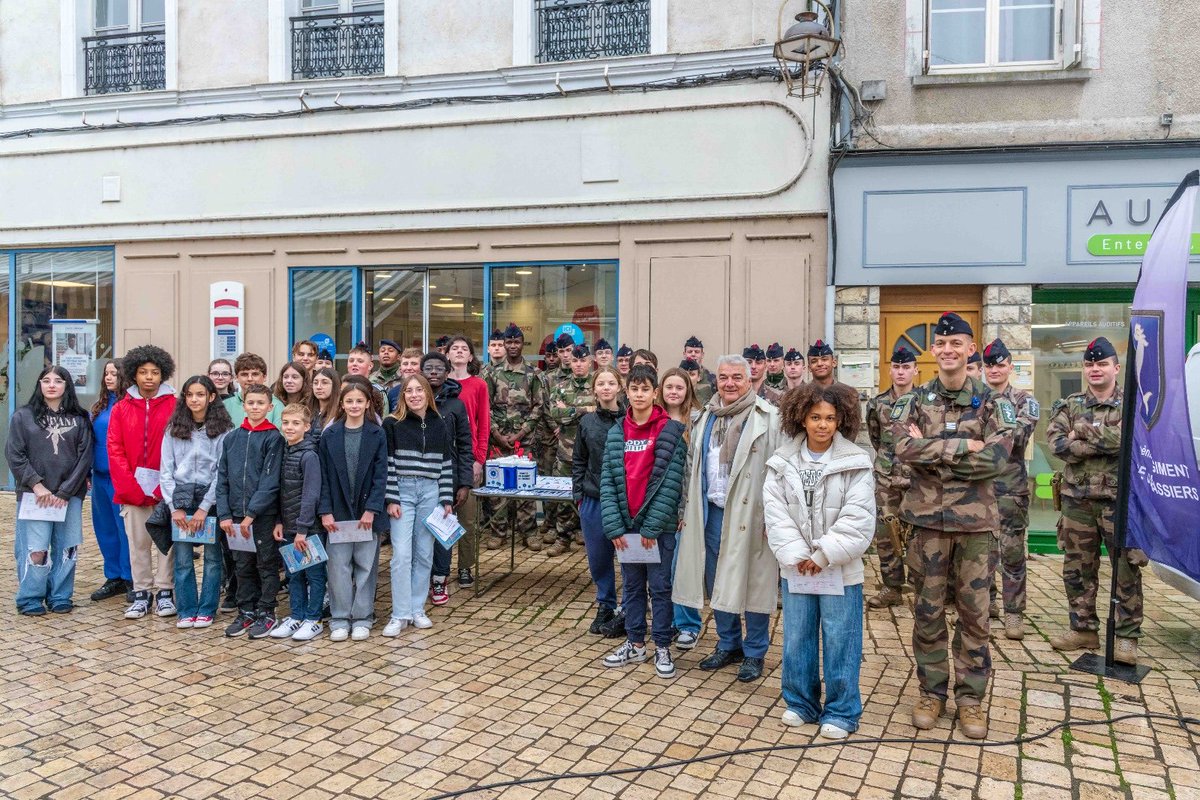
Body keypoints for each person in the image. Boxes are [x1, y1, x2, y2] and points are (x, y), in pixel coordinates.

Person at [890, 311, 1016, 740]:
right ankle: (931, 692)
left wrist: (933, 449)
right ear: (933, 350)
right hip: (926, 525)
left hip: (976, 528)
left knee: (975, 616)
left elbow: (997, 459)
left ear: (969, 348)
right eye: (941, 344)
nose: (947, 350)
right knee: (927, 614)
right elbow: (903, 449)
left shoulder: (996, 403)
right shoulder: (913, 401)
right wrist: (963, 445)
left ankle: (970, 700)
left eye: (956, 344)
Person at [764, 382, 874, 740]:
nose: (823, 425)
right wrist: (799, 555)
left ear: (842, 419)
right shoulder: (782, 462)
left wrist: (823, 553)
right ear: (802, 418)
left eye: (830, 418)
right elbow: (775, 512)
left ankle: (842, 711)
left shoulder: (855, 462)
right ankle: (801, 702)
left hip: (838, 568)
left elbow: (858, 516)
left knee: (841, 637)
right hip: (796, 567)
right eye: (815, 417)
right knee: (798, 635)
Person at [675, 354, 781, 682]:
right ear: (716, 380)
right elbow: (692, 468)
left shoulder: (769, 418)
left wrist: (774, 518)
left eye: (737, 377)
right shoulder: (705, 417)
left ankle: (755, 651)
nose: (730, 383)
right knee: (716, 579)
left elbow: (781, 472)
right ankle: (728, 642)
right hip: (711, 512)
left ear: (750, 380)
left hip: (752, 514)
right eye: (724, 377)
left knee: (754, 582)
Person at [1046, 336, 1143, 665]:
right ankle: (1083, 628)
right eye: (1089, 364)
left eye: (1101, 364)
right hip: (1077, 502)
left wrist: (1083, 433)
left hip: (1118, 502)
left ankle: (1127, 636)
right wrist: (1104, 441)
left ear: (1116, 368)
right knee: (1077, 568)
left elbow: (1131, 440)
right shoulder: (1069, 404)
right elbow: (1057, 445)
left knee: (1125, 569)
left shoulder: (1131, 404)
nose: (1095, 369)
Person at [599, 365, 688, 680]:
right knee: (633, 588)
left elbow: (671, 483)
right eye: (634, 389)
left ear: (655, 393)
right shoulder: (616, 433)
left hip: (657, 530)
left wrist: (652, 527)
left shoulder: (669, 431)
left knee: (661, 588)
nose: (639, 394)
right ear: (628, 392)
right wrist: (614, 527)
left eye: (645, 389)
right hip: (627, 528)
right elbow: (608, 482)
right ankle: (635, 643)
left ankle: (662, 645)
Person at [6, 366, 94, 615]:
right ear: (39, 384)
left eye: (58, 380)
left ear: (67, 385)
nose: (51, 384)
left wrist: (65, 492)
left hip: (69, 496)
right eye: (46, 380)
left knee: (68, 547)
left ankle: (60, 595)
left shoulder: (80, 418)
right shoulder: (23, 416)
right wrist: (37, 485)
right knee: (36, 549)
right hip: (35, 496)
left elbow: (84, 457)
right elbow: (15, 454)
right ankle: (30, 598)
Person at [382, 375, 456, 636]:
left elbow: (447, 463)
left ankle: (416, 609)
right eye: (409, 391)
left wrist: (446, 498)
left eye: (419, 390)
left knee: (424, 553)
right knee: (401, 554)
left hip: (430, 491)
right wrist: (391, 497)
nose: (414, 395)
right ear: (403, 396)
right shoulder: (392, 423)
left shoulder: (440, 423)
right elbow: (387, 463)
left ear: (427, 394)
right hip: (402, 489)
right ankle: (399, 613)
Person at [108, 345, 178, 619]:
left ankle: (164, 591)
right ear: (134, 375)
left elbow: (180, 448)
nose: (149, 378)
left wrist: (165, 486)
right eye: (143, 372)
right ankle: (141, 593)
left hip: (166, 489)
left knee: (166, 544)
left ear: (163, 375)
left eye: (155, 372)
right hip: (132, 490)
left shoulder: (175, 405)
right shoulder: (121, 408)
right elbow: (114, 448)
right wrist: (131, 487)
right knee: (137, 544)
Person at [161, 375, 233, 630]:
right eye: (190, 394)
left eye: (200, 394)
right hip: (181, 500)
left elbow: (221, 473)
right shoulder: (173, 430)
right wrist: (174, 507)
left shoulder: (223, 431)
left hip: (209, 500)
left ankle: (207, 608)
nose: (194, 399)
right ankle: (186, 609)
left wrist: (204, 508)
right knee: (182, 559)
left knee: (213, 560)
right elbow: (165, 471)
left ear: (211, 397)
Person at [318, 382, 388, 642]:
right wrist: (325, 511)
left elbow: (381, 476)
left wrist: (372, 510)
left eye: (360, 401)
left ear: (368, 403)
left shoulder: (376, 434)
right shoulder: (330, 435)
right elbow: (323, 477)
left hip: (365, 514)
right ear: (342, 404)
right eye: (350, 401)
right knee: (337, 567)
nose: (355, 406)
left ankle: (362, 617)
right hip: (336, 513)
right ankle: (339, 618)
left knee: (366, 567)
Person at [981, 338, 1040, 640]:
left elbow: (1016, 439)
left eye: (1000, 364)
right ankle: (986, 605)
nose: (994, 370)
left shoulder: (1024, 401)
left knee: (1012, 553)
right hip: (980, 488)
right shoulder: (976, 399)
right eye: (989, 365)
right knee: (981, 552)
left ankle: (1014, 614)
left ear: (1010, 366)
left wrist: (984, 438)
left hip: (1011, 489)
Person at [217, 383, 284, 639]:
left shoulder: (273, 437)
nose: (255, 407)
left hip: (261, 517)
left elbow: (270, 482)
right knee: (242, 564)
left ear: (270, 407)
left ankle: (267, 610)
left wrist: (252, 513)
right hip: (234, 516)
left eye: (260, 403)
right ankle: (246, 610)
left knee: (265, 564)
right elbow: (222, 477)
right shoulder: (232, 438)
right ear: (243, 405)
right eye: (251, 403)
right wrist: (224, 514)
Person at [573, 366, 627, 637]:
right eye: (601, 383)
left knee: (630, 558)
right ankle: (606, 604)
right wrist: (579, 496)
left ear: (620, 386)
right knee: (599, 558)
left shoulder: (630, 420)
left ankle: (630, 608)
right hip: (593, 498)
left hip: (626, 500)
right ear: (594, 389)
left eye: (611, 383)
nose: (606, 388)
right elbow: (579, 461)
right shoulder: (586, 423)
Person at [864, 347, 918, 609]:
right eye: (896, 367)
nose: (901, 372)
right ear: (889, 370)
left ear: (915, 370)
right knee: (886, 533)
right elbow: (876, 437)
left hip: (919, 478)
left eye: (906, 367)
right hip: (886, 477)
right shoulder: (877, 403)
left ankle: (922, 589)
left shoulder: (925, 402)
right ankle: (892, 586)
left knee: (920, 535)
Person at [269, 403, 327, 642]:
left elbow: (311, 494)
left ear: (306, 426)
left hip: (308, 529)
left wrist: (303, 529)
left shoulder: (309, 454)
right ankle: (297, 615)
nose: (289, 427)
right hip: (290, 527)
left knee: (314, 575)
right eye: (286, 423)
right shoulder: (285, 451)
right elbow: (282, 491)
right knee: (294, 575)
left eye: (295, 423)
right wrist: (280, 520)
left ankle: (313, 619)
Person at [483, 323, 543, 551]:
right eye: (509, 342)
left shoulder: (533, 374)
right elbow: (485, 407)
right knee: (497, 488)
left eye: (516, 342)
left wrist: (521, 432)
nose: (512, 346)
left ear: (522, 344)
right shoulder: (491, 373)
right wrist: (496, 433)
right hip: (497, 439)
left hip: (523, 440)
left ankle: (529, 532)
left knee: (525, 489)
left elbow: (538, 407)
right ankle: (499, 532)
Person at [423, 353, 477, 595]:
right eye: (428, 368)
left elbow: (466, 446)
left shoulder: (456, 404)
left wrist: (464, 483)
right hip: (419, 476)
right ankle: (421, 575)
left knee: (442, 529)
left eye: (438, 368)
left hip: (449, 476)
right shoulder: (413, 399)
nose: (433, 372)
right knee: (420, 531)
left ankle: (440, 577)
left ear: (447, 373)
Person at [659, 366, 703, 650]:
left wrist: (687, 509)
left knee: (683, 568)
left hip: (687, 505)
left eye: (679, 387)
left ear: (688, 391)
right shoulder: (654, 420)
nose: (674, 392)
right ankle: (669, 622)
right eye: (669, 387)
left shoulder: (698, 421)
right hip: (661, 505)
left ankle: (688, 623)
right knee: (663, 570)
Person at [544, 343, 596, 556]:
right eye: (575, 360)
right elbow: (557, 414)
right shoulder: (561, 387)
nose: (578, 364)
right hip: (566, 453)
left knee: (592, 497)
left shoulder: (598, 385)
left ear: (590, 362)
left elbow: (602, 412)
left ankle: (589, 536)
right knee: (564, 497)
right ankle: (562, 537)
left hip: (592, 453)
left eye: (583, 360)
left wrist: (572, 410)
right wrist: (587, 409)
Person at [88, 360, 132, 603]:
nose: (109, 377)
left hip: (121, 479)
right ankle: (113, 576)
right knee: (105, 529)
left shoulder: (130, 405)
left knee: (125, 530)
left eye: (114, 373)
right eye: (106, 373)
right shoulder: (99, 406)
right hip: (99, 478)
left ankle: (130, 577)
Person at [224, 353, 285, 427]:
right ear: (236, 378)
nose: (250, 379)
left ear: (264, 377)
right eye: (244, 374)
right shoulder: (225, 405)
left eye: (255, 374)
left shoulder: (276, 406)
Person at [345, 344, 390, 415]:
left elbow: (383, 419)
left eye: (360, 361)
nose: (354, 364)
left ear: (370, 366)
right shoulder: (341, 388)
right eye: (351, 361)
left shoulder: (377, 391)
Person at [310, 366, 340, 438]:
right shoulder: (307, 411)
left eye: (324, 382)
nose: (319, 387)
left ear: (335, 385)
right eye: (315, 383)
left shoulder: (339, 414)